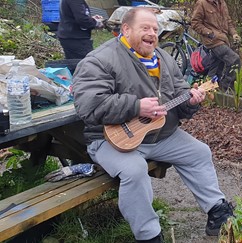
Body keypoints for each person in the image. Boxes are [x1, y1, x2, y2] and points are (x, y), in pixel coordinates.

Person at [72, 8, 233, 243]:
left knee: (199, 152)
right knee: (135, 170)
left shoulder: (163, 58)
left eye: (155, 29)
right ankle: (149, 235)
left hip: (159, 135)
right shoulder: (101, 59)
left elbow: (179, 92)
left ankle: (217, 211)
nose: (152, 34)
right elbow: (88, 105)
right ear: (126, 30)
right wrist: (135, 107)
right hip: (110, 139)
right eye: (145, 28)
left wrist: (191, 101)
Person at [191, 0, 242, 92]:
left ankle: (210, 90)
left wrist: (234, 34)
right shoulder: (202, 3)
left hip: (223, 40)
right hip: (212, 42)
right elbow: (195, 23)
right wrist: (209, 33)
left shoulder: (222, 3)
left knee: (216, 68)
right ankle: (227, 89)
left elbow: (228, 21)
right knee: (235, 60)